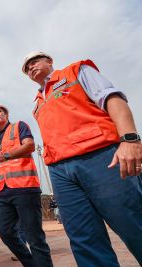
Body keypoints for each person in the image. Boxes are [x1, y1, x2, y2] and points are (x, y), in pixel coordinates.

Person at [23, 51, 142, 266]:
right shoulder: (38, 104)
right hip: (61, 172)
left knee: (133, 222)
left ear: (49, 61)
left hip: (101, 157)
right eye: (26, 68)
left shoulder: (76, 72)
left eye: (34, 61)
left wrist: (130, 139)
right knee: (84, 240)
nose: (30, 67)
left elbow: (112, 98)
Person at [0, 103, 53, 267]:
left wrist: (6, 155)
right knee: (6, 233)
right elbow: (2, 166)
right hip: (5, 192)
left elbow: (29, 145)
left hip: (25, 187)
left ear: (6, 114)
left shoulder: (19, 126)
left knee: (34, 237)